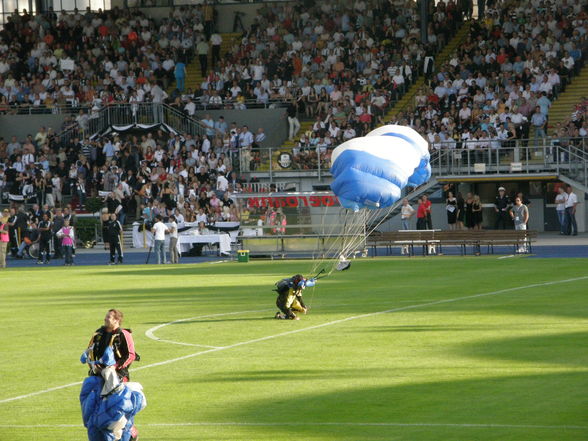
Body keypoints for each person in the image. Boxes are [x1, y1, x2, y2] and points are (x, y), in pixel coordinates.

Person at [84, 309, 139, 440]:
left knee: (118, 409)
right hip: (98, 376)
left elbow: (130, 355)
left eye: (109, 317)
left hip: (118, 376)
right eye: (106, 316)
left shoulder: (123, 334)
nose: (105, 319)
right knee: (99, 408)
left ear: (116, 320)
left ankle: (130, 432)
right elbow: (90, 351)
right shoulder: (98, 334)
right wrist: (93, 365)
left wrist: (114, 367)